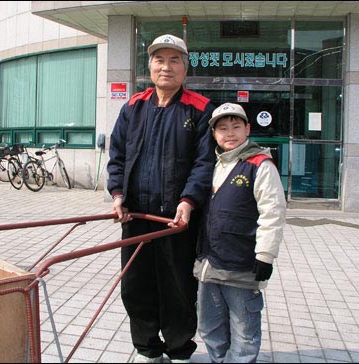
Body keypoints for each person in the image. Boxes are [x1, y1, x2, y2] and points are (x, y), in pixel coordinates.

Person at [107, 34, 216, 363]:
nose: (166, 67)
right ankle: (148, 349)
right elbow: (118, 155)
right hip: (136, 217)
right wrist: (117, 195)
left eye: (174, 60)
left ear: (185, 68)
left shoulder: (199, 108)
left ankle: (180, 350)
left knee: (178, 288)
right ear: (150, 66)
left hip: (177, 220)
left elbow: (204, 162)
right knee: (135, 286)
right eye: (159, 60)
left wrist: (188, 201)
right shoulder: (133, 106)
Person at [194, 102, 286, 363]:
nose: (229, 133)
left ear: (248, 128)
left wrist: (265, 256)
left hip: (242, 264)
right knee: (210, 325)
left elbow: (273, 212)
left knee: (244, 330)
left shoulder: (260, 165)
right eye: (222, 128)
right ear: (214, 134)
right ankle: (219, 360)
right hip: (209, 264)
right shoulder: (211, 164)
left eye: (236, 126)